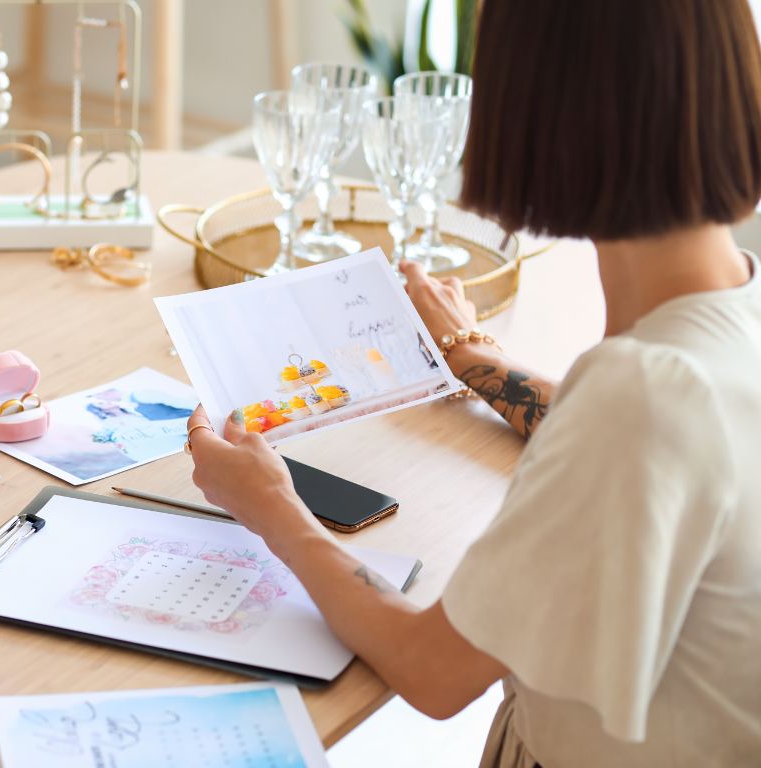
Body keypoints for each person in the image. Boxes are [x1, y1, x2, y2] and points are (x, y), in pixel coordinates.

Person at [184, 1, 761, 765]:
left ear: (541, 115)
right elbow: (661, 444)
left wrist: (272, 508)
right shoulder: (730, 317)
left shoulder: (638, 395)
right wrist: (474, 356)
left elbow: (433, 669)